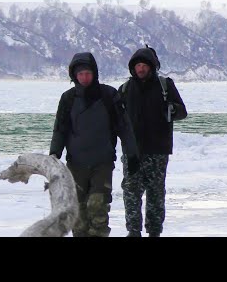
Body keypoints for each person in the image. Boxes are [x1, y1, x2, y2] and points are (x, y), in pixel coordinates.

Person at [49, 52, 139, 237]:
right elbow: (60, 129)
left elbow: (124, 127)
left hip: (102, 162)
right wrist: (54, 154)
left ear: (94, 73)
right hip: (76, 163)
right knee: (79, 210)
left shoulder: (109, 95)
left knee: (97, 205)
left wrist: (132, 154)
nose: (84, 77)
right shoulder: (68, 98)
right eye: (80, 74)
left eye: (88, 73)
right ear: (74, 75)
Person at [119, 46, 187, 237]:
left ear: (152, 67)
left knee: (156, 195)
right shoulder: (125, 89)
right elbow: (116, 119)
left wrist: (170, 110)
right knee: (131, 194)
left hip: (158, 151)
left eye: (144, 65)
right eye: (137, 65)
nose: (140, 69)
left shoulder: (165, 85)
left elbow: (182, 111)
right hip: (132, 152)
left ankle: (154, 232)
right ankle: (133, 231)